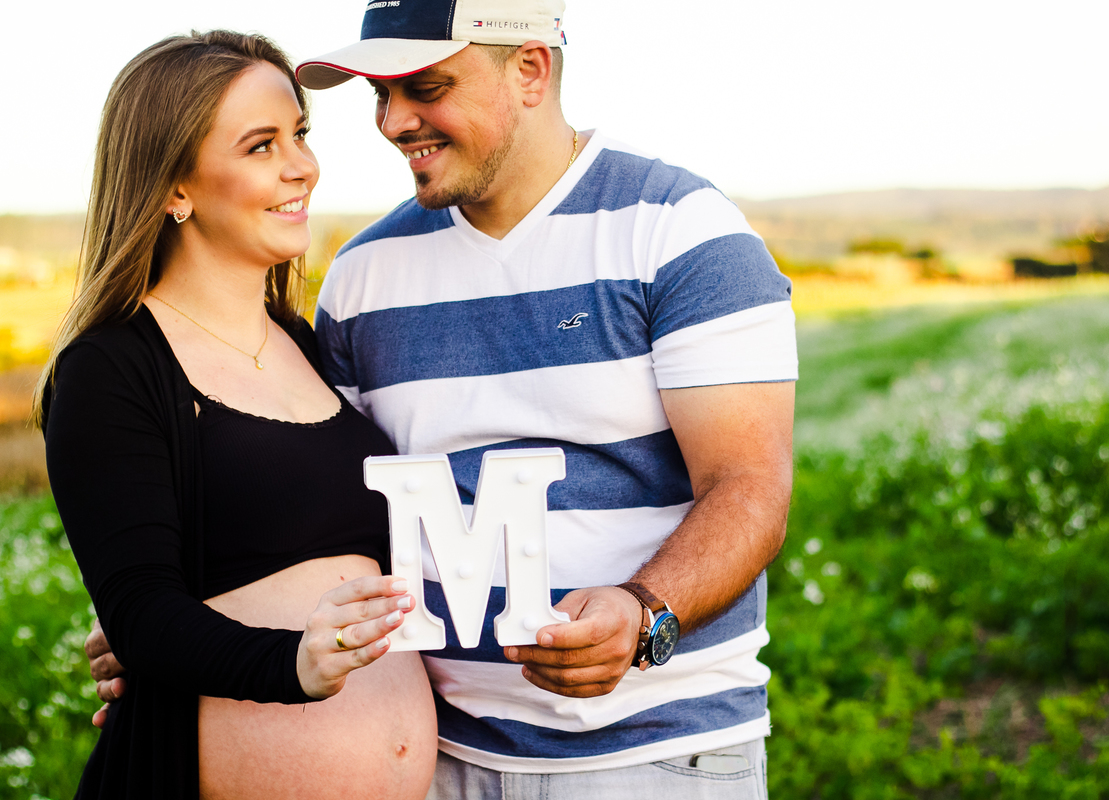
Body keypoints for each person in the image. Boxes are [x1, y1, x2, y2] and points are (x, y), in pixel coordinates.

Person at [90, 2, 798, 796]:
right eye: (378, 95)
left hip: (654, 757)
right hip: (449, 763)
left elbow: (750, 489)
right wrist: (167, 622)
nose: (394, 122)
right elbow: (330, 506)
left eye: (424, 86)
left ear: (529, 69)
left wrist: (647, 616)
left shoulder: (680, 232)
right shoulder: (363, 278)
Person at [40, 30, 437, 799]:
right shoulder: (111, 369)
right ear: (173, 189)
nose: (302, 167)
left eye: (300, 134)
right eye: (261, 146)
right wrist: (292, 663)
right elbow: (141, 614)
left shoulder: (311, 346)